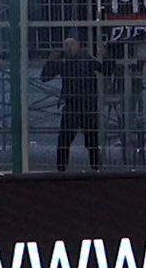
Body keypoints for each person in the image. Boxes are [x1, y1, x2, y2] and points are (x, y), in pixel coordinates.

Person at [43, 36, 108, 172]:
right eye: (66, 44)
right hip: (72, 106)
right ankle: (61, 170)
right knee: (64, 141)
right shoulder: (64, 62)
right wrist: (50, 61)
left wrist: (106, 57)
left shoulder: (86, 59)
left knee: (91, 142)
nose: (68, 47)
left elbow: (106, 70)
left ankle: (96, 169)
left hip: (87, 107)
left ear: (79, 45)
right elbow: (45, 77)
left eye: (71, 44)